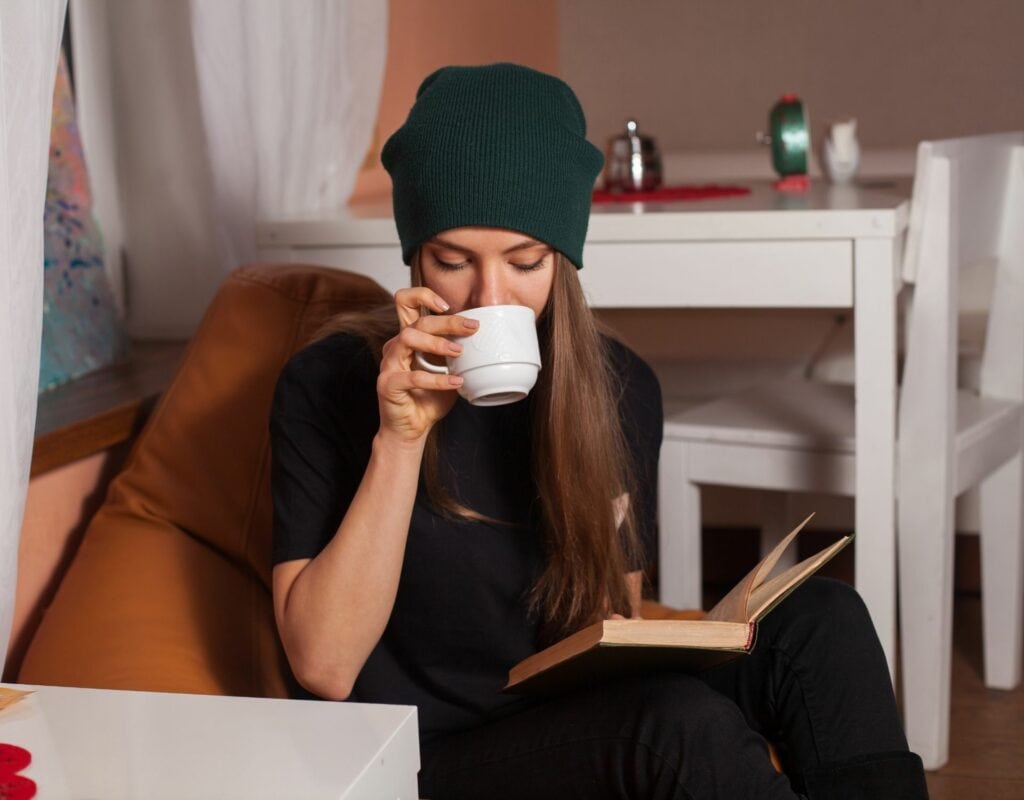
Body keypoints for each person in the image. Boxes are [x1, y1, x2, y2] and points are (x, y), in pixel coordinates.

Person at [269, 63, 928, 799]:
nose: (490, 297)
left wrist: (629, 582)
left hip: (566, 715)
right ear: (415, 256)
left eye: (526, 262)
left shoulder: (619, 388)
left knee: (824, 621)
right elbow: (322, 667)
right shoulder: (327, 384)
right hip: (424, 755)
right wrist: (400, 441)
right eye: (452, 261)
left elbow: (614, 628)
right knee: (673, 727)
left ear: (564, 259)